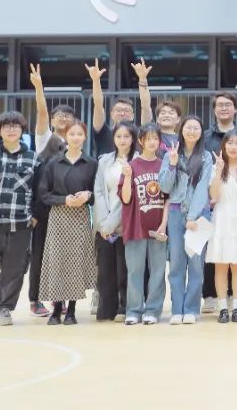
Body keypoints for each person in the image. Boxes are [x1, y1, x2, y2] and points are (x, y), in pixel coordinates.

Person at [37, 119, 98, 325]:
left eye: (79, 134)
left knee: (75, 263)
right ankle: (56, 309)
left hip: (80, 217)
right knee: (57, 262)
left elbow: (96, 193)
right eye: (72, 134)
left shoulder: (91, 163)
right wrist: (64, 200)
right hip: (58, 217)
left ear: (85, 137)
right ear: (66, 136)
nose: (75, 137)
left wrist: (88, 195)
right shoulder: (53, 163)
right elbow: (44, 194)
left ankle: (71, 310)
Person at [28, 63, 76, 318]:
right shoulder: (44, 139)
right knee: (39, 254)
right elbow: (42, 112)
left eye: (68, 115)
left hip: (66, 207)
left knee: (63, 256)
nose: (63, 118)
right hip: (43, 208)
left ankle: (60, 300)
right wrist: (39, 88)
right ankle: (35, 299)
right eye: (59, 115)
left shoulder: (76, 144)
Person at [0, 111, 39, 326]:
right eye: (6, 126)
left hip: (20, 224)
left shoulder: (33, 158)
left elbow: (39, 189)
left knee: (14, 270)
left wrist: (34, 215)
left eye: (15, 125)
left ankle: (3, 309)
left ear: (22, 130)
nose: (11, 129)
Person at [158, 115, 213, 324]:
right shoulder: (170, 155)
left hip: (199, 216)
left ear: (201, 132)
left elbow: (202, 189)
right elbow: (164, 187)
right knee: (176, 264)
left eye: (196, 128)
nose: (191, 131)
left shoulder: (206, 157)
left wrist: (192, 217)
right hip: (174, 213)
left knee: (196, 265)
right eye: (188, 127)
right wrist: (172, 165)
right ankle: (177, 310)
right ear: (181, 130)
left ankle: (191, 309)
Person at [118, 123, 167, 325]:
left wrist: (164, 224)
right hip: (135, 226)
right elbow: (126, 199)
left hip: (158, 228)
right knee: (135, 271)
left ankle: (153, 310)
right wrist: (128, 176)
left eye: (156, 138)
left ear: (160, 142)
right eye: (148, 139)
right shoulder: (131, 165)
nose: (152, 142)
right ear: (141, 141)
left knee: (158, 271)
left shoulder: (164, 165)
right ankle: (134, 310)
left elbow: (169, 197)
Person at [206, 129, 237, 324]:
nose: (233, 147)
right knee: (220, 265)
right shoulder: (216, 167)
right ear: (224, 146)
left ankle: (236, 307)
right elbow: (213, 196)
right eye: (230, 143)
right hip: (220, 219)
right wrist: (219, 170)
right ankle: (222, 308)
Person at [93, 121, 135, 323]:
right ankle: (106, 308)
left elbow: (126, 197)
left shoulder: (137, 160)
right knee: (105, 270)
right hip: (104, 223)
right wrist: (103, 223)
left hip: (127, 222)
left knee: (125, 269)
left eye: (126, 136)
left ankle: (125, 306)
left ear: (133, 139)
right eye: (119, 136)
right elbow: (99, 191)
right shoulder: (104, 161)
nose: (122, 140)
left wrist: (112, 223)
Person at [87, 57, 152, 156]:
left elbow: (146, 106)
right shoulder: (103, 132)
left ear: (133, 115)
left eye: (126, 110)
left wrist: (142, 78)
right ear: (111, 114)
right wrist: (96, 81)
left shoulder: (140, 134)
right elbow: (98, 105)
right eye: (118, 110)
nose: (122, 113)